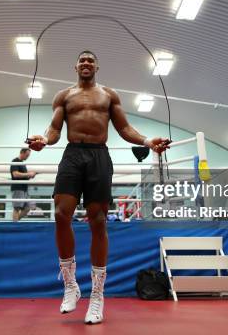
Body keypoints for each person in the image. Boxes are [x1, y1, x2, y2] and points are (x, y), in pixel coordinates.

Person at [28, 50, 169, 324]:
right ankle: (70, 285)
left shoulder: (109, 95)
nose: (86, 63)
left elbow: (124, 128)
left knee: (99, 221)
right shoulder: (64, 96)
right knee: (60, 214)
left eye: (90, 60)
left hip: (99, 155)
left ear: (97, 67)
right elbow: (54, 130)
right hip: (72, 155)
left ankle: (97, 295)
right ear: (76, 66)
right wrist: (43, 141)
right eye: (82, 60)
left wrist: (148, 142)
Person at [10, 148, 37, 221]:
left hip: (24, 189)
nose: (27, 157)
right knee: (17, 208)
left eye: (28, 155)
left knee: (27, 208)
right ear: (22, 152)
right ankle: (14, 226)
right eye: (27, 155)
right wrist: (28, 174)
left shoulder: (22, 163)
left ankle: (15, 221)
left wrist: (30, 175)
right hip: (18, 188)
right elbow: (15, 174)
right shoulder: (15, 161)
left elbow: (24, 176)